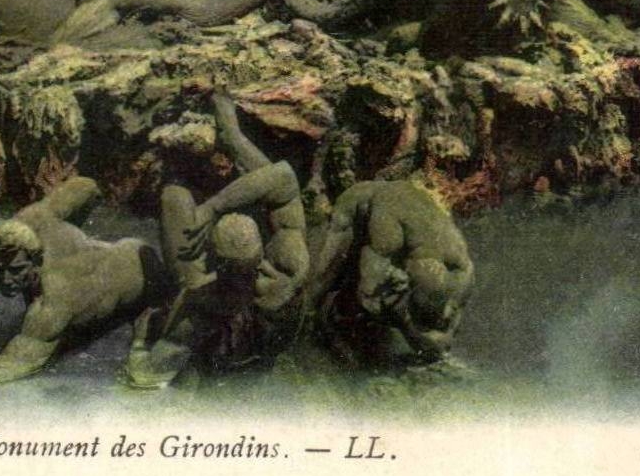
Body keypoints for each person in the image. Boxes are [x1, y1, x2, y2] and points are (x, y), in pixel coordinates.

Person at [124, 94, 310, 387]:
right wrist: (234, 137)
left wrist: (139, 342)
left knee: (175, 197)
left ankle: (229, 137)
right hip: (265, 333)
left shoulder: (208, 296)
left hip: (231, 332)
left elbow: (147, 375)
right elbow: (284, 178)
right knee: (269, 182)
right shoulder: (288, 255)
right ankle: (232, 134)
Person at [0, 176, 161, 382]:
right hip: (126, 249)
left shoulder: (50, 306)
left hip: (149, 286)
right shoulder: (34, 218)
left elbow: (7, 369)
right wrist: (76, 239)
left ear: (37, 261)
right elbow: (88, 187)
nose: (4, 280)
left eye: (15, 270)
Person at [307, 179, 473, 366]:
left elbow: (369, 297)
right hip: (354, 218)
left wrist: (410, 324)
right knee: (318, 287)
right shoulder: (393, 230)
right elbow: (368, 296)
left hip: (409, 251)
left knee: (320, 290)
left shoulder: (460, 267)